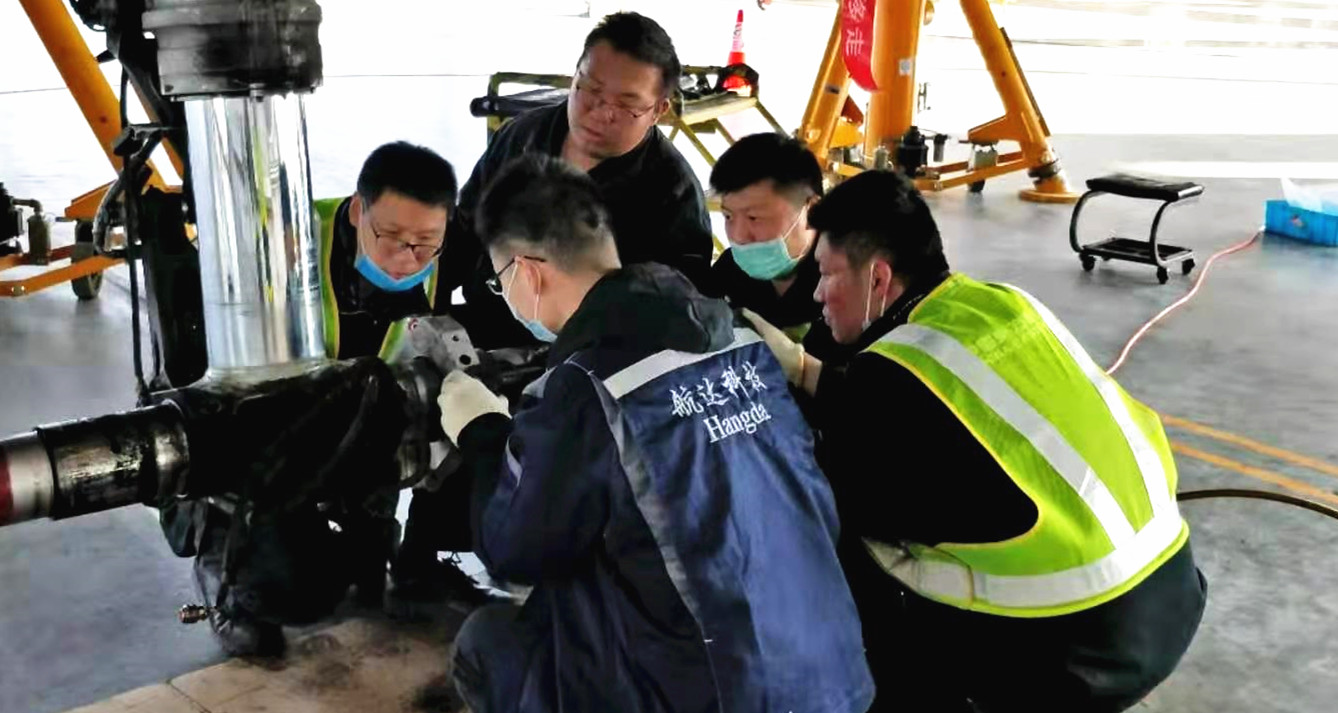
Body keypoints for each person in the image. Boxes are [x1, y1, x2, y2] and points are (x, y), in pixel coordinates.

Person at [744, 170, 1208, 712]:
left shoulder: (887, 382)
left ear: (877, 278)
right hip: (1170, 592)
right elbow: (926, 401)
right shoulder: (1002, 303)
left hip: (1073, 654)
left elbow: (862, 468)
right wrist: (807, 370)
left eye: (827, 274)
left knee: (832, 533)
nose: (818, 293)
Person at [435, 154, 874, 713]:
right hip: (835, 684)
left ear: (528, 272)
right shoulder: (737, 334)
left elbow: (512, 551)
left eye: (502, 282)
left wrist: (482, 431)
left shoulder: (587, 387)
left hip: (720, 698)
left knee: (490, 642)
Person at [167, 142, 487, 658]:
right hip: (257, 441)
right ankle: (220, 555)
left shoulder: (446, 250)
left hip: (359, 430)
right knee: (298, 595)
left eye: (426, 243)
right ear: (358, 211)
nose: (407, 257)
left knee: (364, 580)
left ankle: (375, 539)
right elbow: (199, 380)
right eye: (391, 238)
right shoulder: (280, 248)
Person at [436, 11, 714, 350]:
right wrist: (423, 305)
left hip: (590, 355)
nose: (600, 112)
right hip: (487, 324)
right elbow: (464, 228)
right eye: (591, 90)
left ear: (658, 110)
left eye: (626, 106)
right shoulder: (522, 135)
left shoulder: (674, 193)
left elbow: (677, 311)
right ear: (575, 75)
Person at [708, 131, 844, 364]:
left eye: (754, 218)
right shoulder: (729, 271)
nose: (738, 236)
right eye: (728, 216)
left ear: (811, 211)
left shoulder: (846, 281)